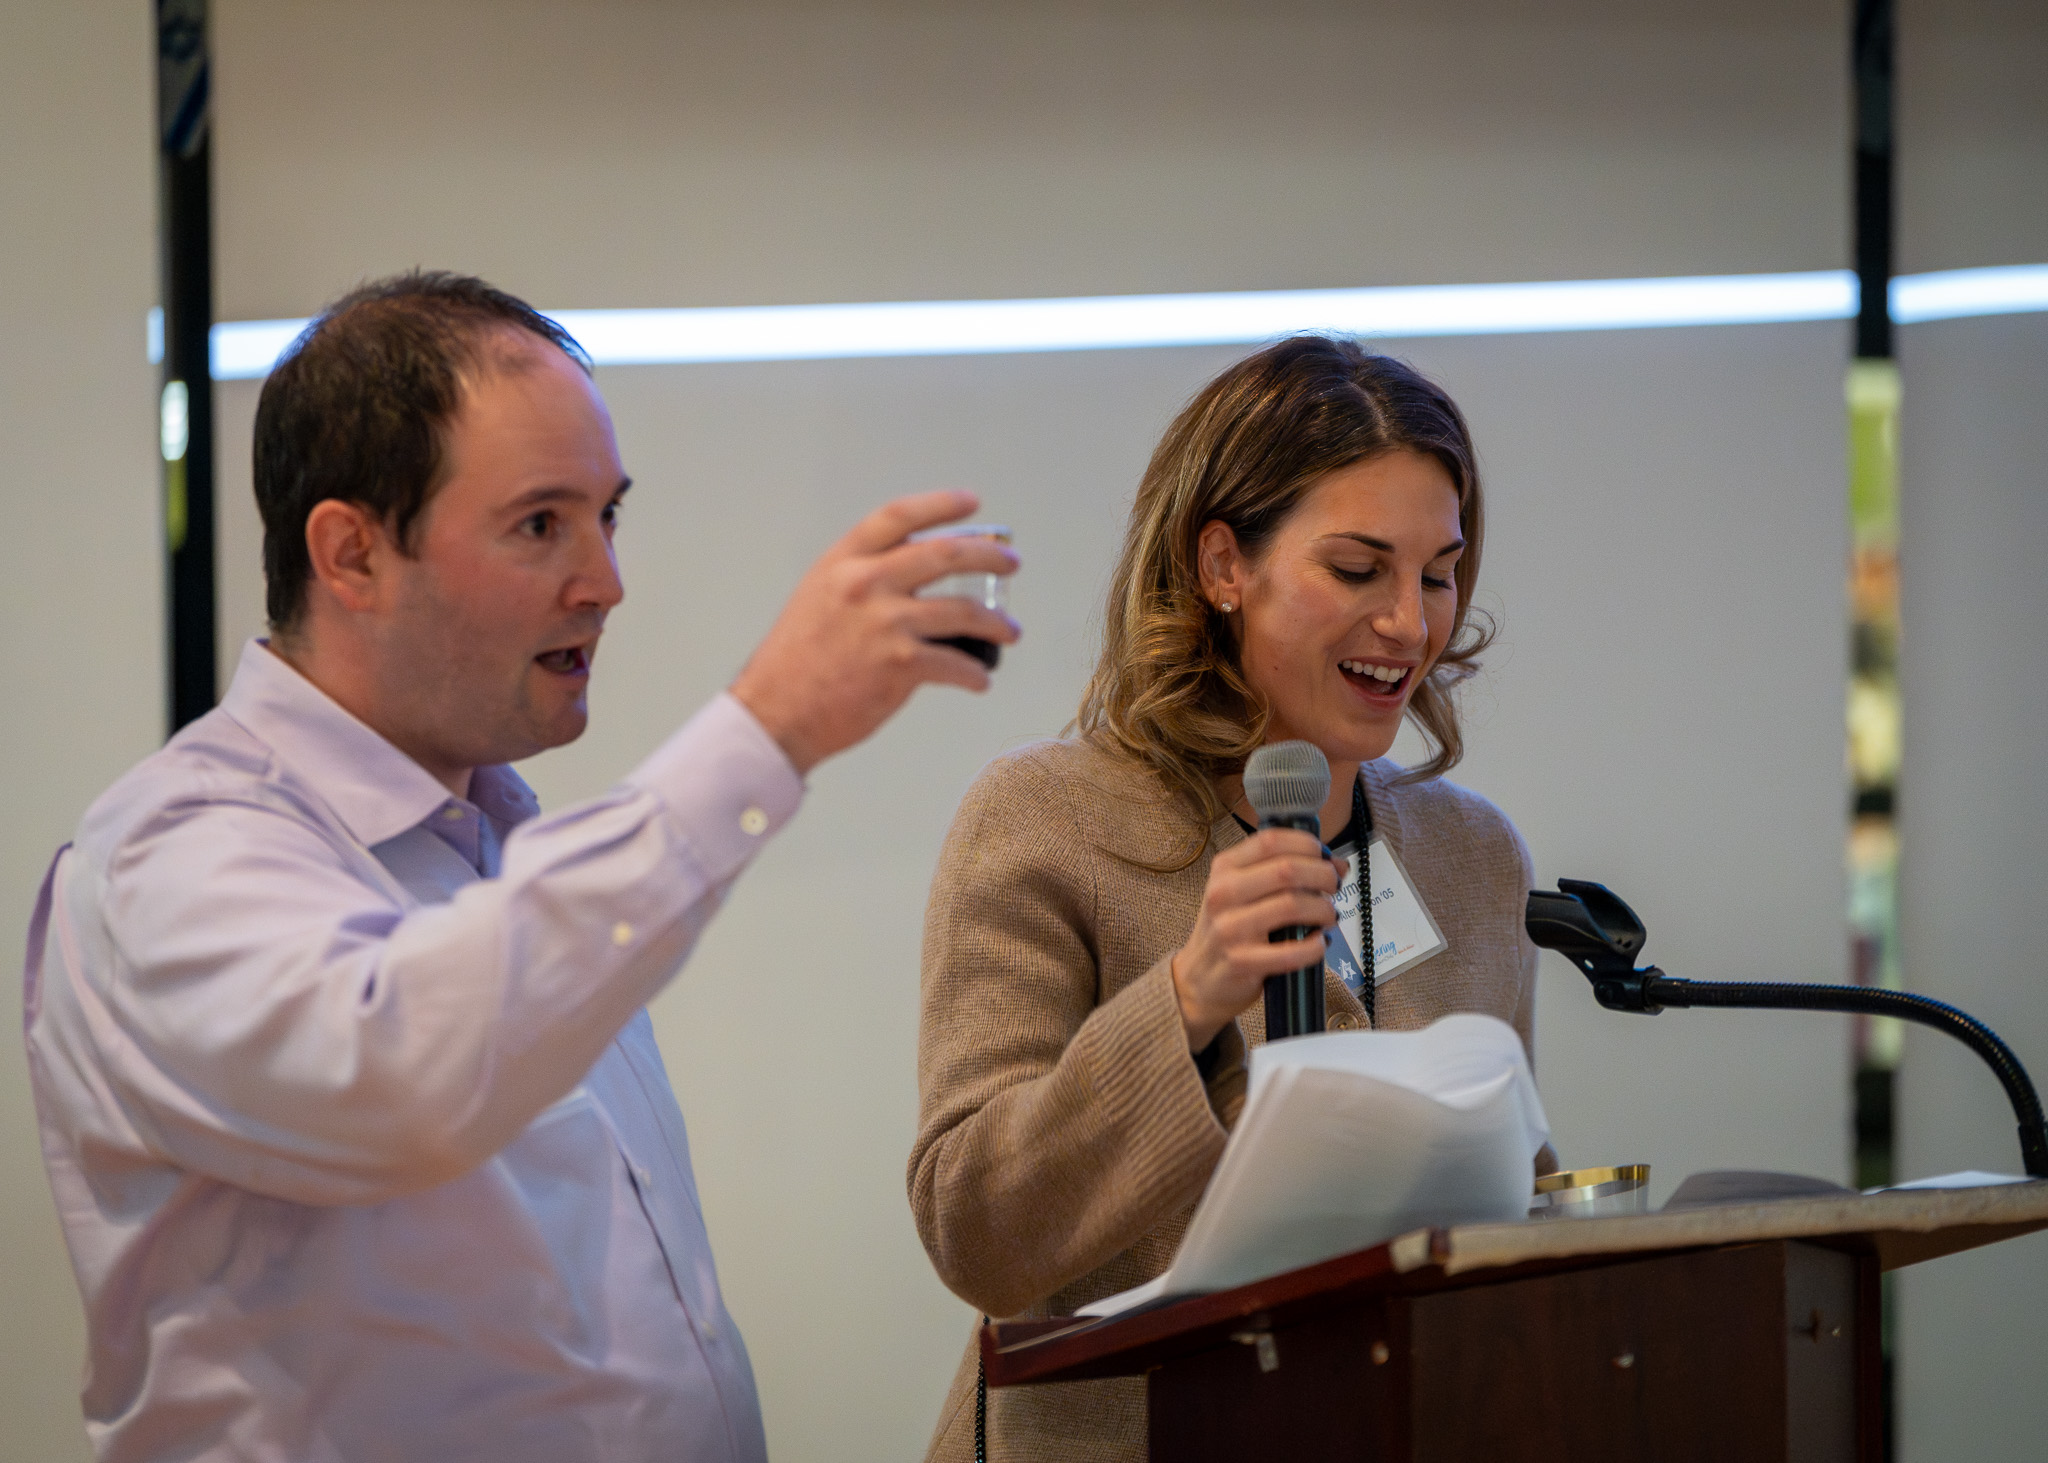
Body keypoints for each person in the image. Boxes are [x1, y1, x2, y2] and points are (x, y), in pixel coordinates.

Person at [23, 271, 1019, 1463]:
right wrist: (765, 730)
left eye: (608, 515)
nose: (605, 581)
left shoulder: (501, 846)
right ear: (350, 554)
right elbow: (395, 1071)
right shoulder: (169, 850)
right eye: (541, 523)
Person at [908, 335, 1547, 1462]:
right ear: (1221, 566)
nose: (1409, 623)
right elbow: (977, 1230)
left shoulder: (1474, 855)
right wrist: (1187, 996)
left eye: (1438, 574)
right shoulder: (1043, 820)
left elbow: (1509, 1207)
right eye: (1358, 569)